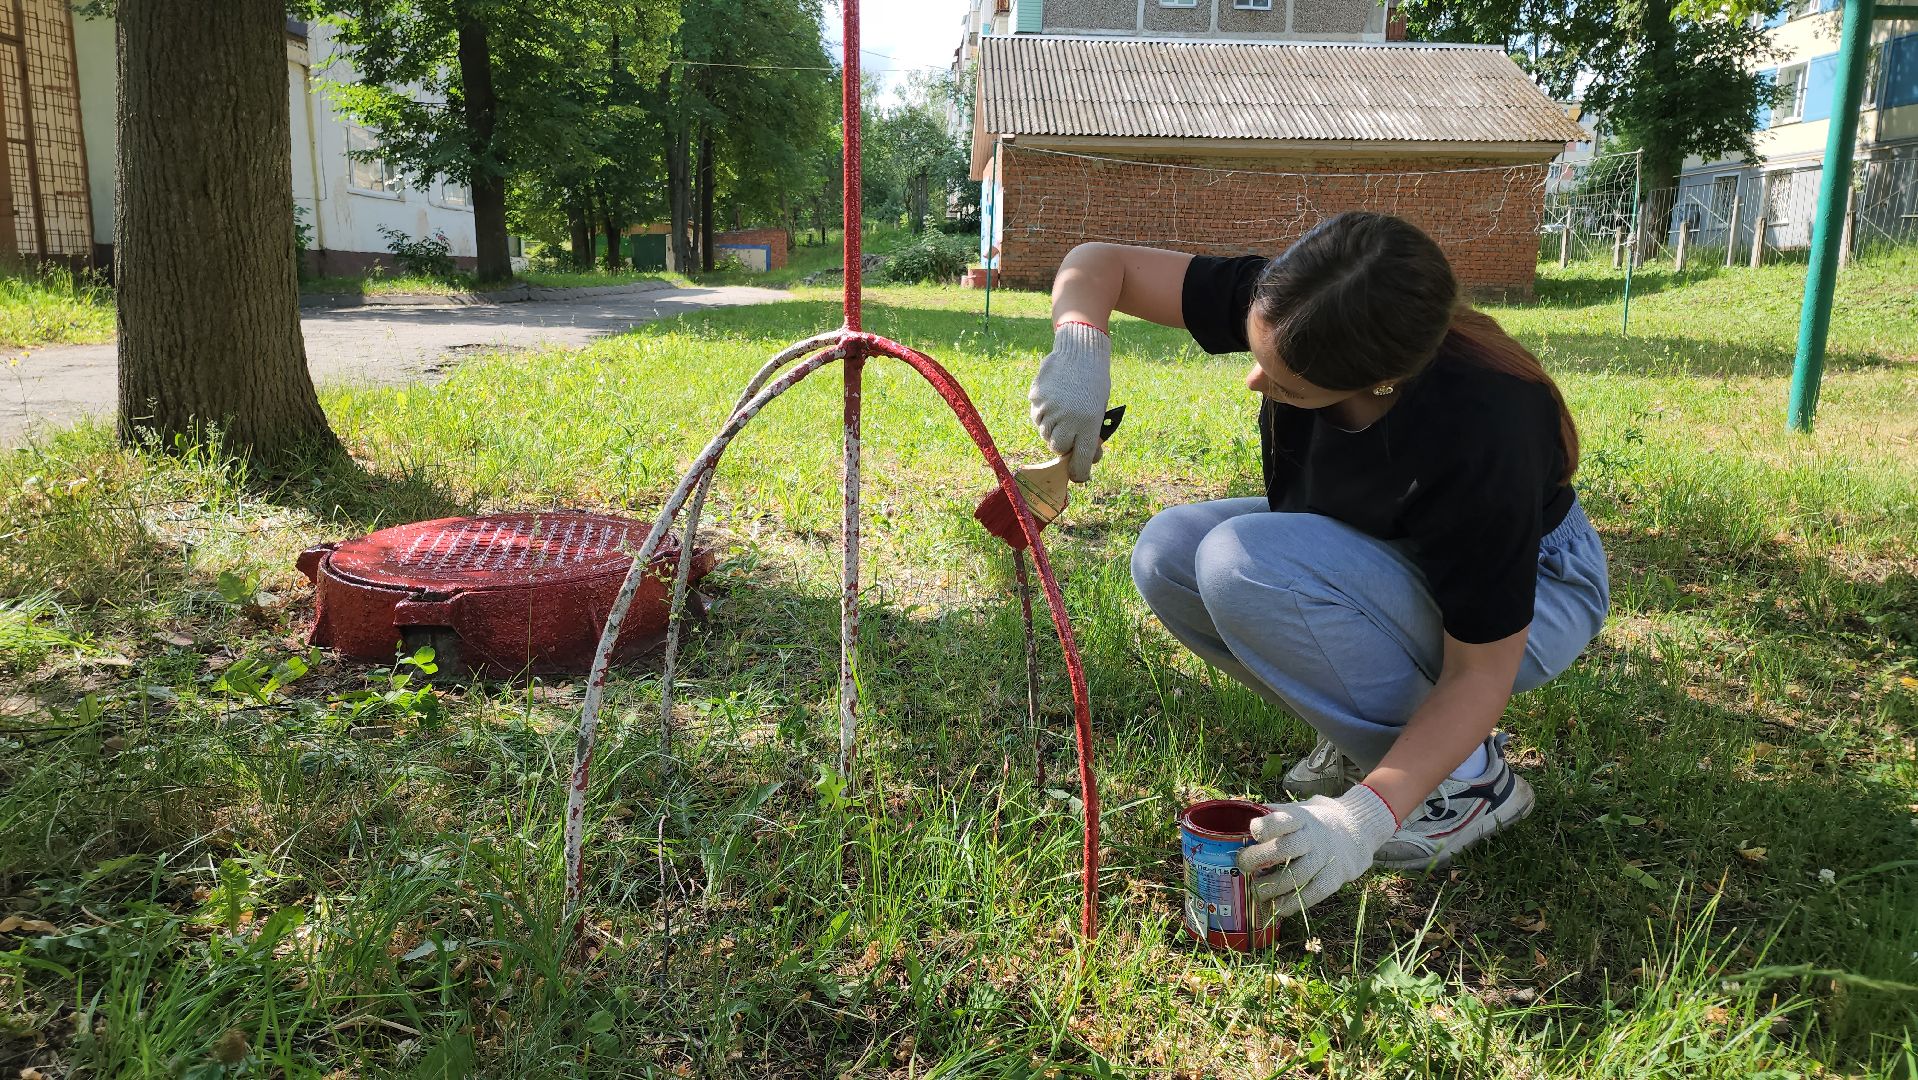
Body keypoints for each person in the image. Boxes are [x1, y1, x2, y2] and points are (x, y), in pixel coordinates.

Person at [1026, 213, 1610, 920]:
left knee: (1241, 563)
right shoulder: (1307, 302)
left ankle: (1466, 784)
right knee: (1169, 554)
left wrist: (1358, 821)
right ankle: (1382, 739)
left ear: (1384, 381)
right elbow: (1099, 262)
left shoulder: (1482, 427)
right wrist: (1081, 349)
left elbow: (1478, 673)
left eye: (1288, 385)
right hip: (1390, 545)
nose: (1253, 382)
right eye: (1257, 354)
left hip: (1539, 591)